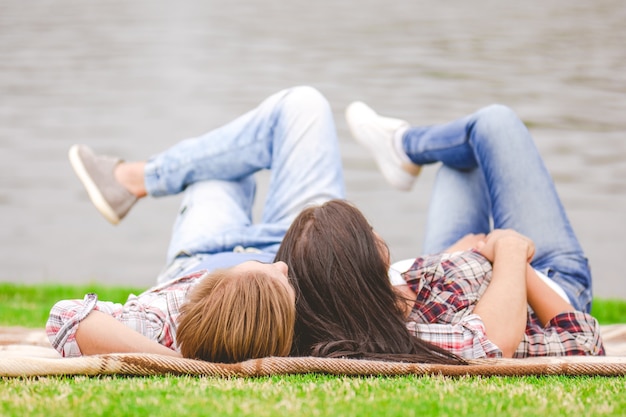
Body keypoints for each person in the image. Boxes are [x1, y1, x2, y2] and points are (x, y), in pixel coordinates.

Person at [46, 86, 459, 365]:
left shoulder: (170, 317)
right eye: (284, 280)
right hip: (299, 241)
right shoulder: (292, 321)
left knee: (220, 170)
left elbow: (67, 317)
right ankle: (135, 179)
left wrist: (176, 362)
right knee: (303, 104)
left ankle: (134, 179)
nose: (282, 270)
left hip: (202, 252)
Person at [274, 101, 605, 360]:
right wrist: (509, 251)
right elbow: (582, 342)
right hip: (548, 279)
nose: (377, 235)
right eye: (369, 233)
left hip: (457, 262)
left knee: (458, 162)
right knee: (494, 123)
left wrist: (457, 255)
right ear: (366, 266)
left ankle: (404, 148)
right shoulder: (433, 331)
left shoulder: (368, 299)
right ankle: (404, 145)